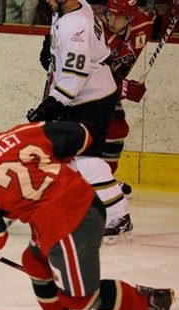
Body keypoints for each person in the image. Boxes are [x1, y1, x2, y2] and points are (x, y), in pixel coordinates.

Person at [0, 103, 179, 310]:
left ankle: (154, 300)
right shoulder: (26, 131)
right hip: (86, 202)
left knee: (79, 297)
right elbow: (83, 135)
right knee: (33, 261)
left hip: (66, 225)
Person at [31, 0, 131, 244]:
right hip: (89, 95)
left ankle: (120, 217)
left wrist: (53, 104)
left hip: (91, 100)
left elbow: (76, 74)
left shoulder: (76, 26)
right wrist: (52, 46)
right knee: (67, 157)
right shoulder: (78, 7)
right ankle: (75, 209)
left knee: (87, 159)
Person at [100, 0, 179, 198]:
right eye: (110, 14)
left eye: (119, 17)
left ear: (131, 18)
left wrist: (174, 14)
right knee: (89, 133)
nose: (111, 20)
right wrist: (124, 88)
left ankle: (104, 179)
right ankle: (91, 180)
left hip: (106, 94)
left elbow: (161, 28)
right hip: (83, 94)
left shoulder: (142, 24)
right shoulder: (97, 35)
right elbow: (88, 78)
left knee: (117, 129)